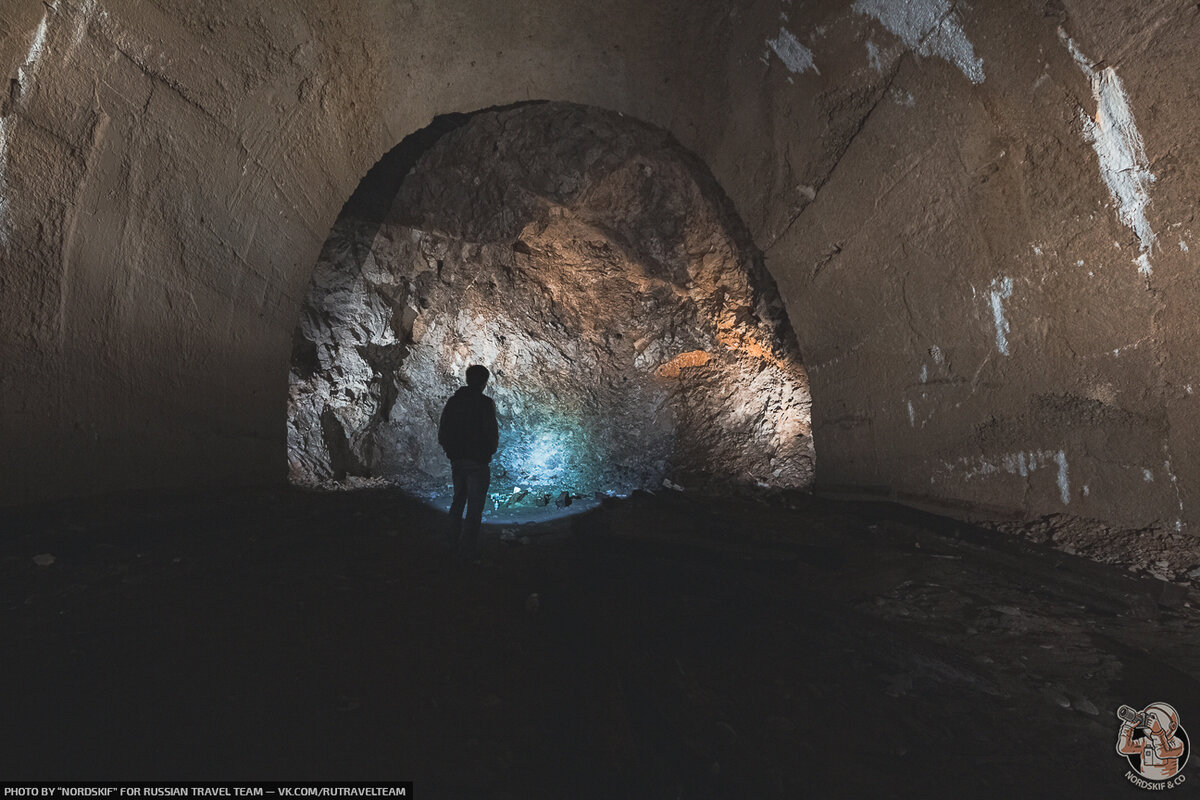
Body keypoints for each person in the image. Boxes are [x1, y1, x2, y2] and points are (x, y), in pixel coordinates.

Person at [438, 364, 499, 559]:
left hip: (459, 460)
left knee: (458, 501)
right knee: (475, 506)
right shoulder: (485, 403)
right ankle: (467, 550)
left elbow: (444, 430)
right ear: (484, 382)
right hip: (478, 461)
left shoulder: (454, 402)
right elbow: (491, 432)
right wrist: (488, 452)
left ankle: (450, 544)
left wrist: (452, 453)